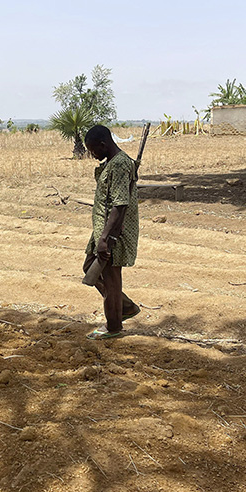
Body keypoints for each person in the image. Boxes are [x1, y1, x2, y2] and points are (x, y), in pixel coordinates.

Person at [83, 124, 141, 340]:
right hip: (104, 230)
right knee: (90, 267)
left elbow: (119, 205)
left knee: (110, 278)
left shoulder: (119, 166)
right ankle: (124, 307)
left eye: (93, 150)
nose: (92, 155)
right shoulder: (114, 163)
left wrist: (106, 239)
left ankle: (114, 326)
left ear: (103, 144)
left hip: (114, 232)